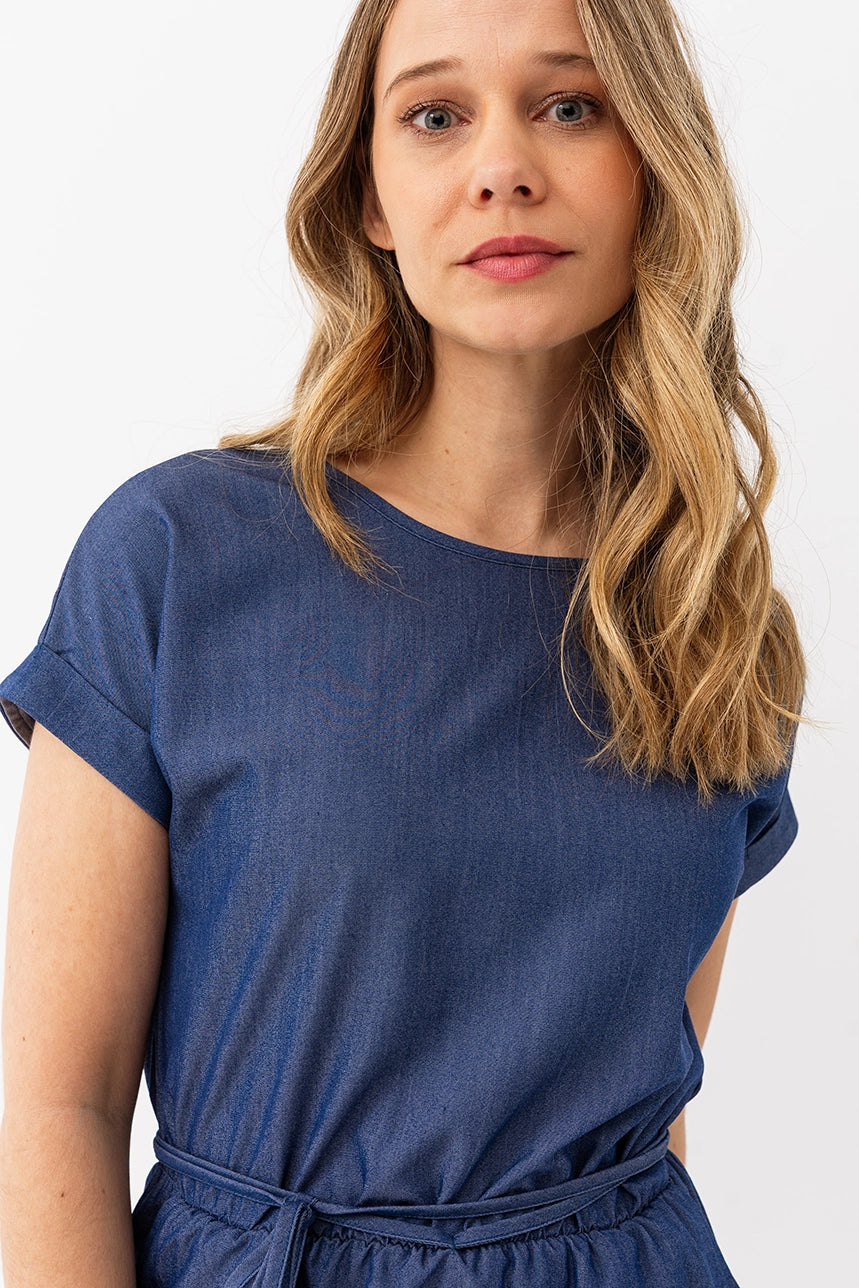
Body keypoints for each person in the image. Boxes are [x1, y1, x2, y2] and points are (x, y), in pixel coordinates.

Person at [0, 0, 805, 1284]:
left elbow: (641, 1120)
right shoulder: (178, 558)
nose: (502, 167)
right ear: (369, 196)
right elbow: (59, 1106)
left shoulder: (705, 609)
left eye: (570, 106)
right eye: (435, 116)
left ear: (651, 164)